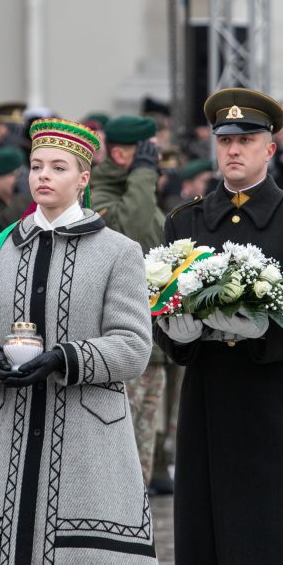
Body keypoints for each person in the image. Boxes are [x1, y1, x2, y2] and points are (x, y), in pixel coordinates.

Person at [0, 118, 156, 564]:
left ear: (83, 179)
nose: (43, 175)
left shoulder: (118, 251)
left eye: (58, 167)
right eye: (36, 165)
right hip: (7, 428)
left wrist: (67, 358)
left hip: (87, 436)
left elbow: (135, 345)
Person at [154, 88, 283, 565]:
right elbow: (158, 312)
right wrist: (179, 335)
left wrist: (263, 330)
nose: (234, 150)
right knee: (206, 538)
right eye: (225, 140)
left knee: (272, 537)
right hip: (207, 401)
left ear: (270, 149)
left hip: (271, 403)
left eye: (248, 139)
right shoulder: (185, 221)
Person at [91, 114, 168, 488]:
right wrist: (143, 176)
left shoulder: (140, 191)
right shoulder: (98, 194)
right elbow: (133, 232)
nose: (155, 159)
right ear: (121, 155)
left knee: (143, 451)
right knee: (118, 452)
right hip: (120, 345)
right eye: (146, 153)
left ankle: (138, 527)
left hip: (152, 345)